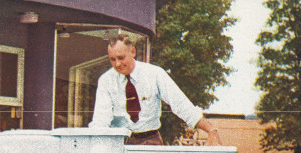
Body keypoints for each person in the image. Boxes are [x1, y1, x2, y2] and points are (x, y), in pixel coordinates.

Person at [89, 34, 222, 146]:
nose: (117, 64)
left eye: (121, 58)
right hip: (118, 144)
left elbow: (181, 104)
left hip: (149, 141)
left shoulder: (155, 74)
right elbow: (101, 120)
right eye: (112, 59)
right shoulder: (105, 81)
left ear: (133, 52)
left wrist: (211, 129)